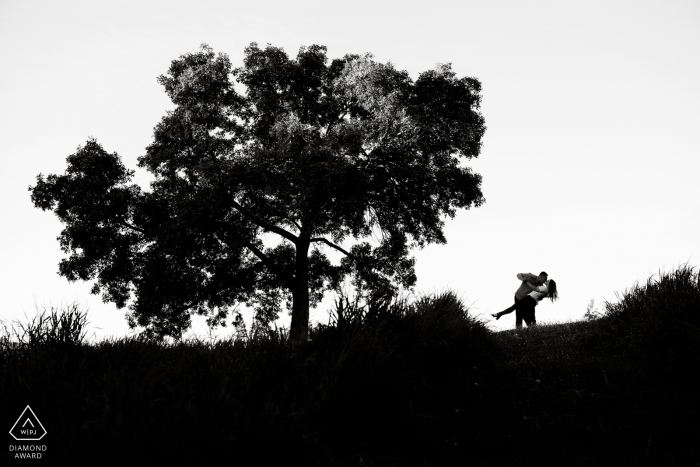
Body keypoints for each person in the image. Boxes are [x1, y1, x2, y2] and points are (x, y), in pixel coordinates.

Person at [491, 279, 558, 328]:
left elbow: (535, 289)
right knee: (524, 314)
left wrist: (527, 282)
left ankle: (499, 314)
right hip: (531, 301)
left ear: (549, 284)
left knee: (514, 307)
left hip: (529, 299)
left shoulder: (545, 288)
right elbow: (539, 296)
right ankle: (531, 327)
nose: (546, 280)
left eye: (548, 281)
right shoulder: (547, 290)